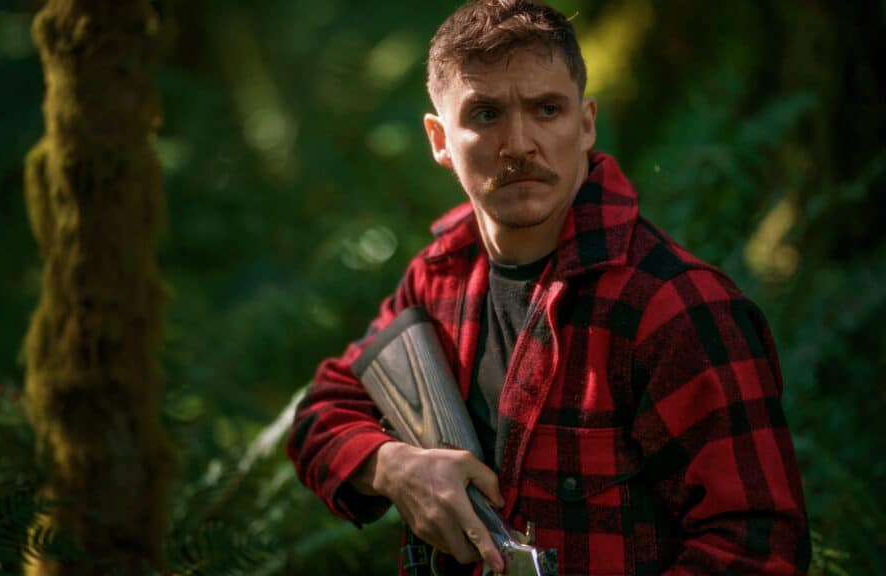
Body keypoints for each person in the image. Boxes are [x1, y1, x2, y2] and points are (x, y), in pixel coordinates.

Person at [286, 1, 811, 574]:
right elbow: (321, 412)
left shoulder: (677, 306)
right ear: (439, 139)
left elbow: (758, 550)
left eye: (546, 109)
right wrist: (395, 468)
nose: (518, 143)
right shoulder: (437, 276)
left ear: (585, 124)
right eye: (486, 114)